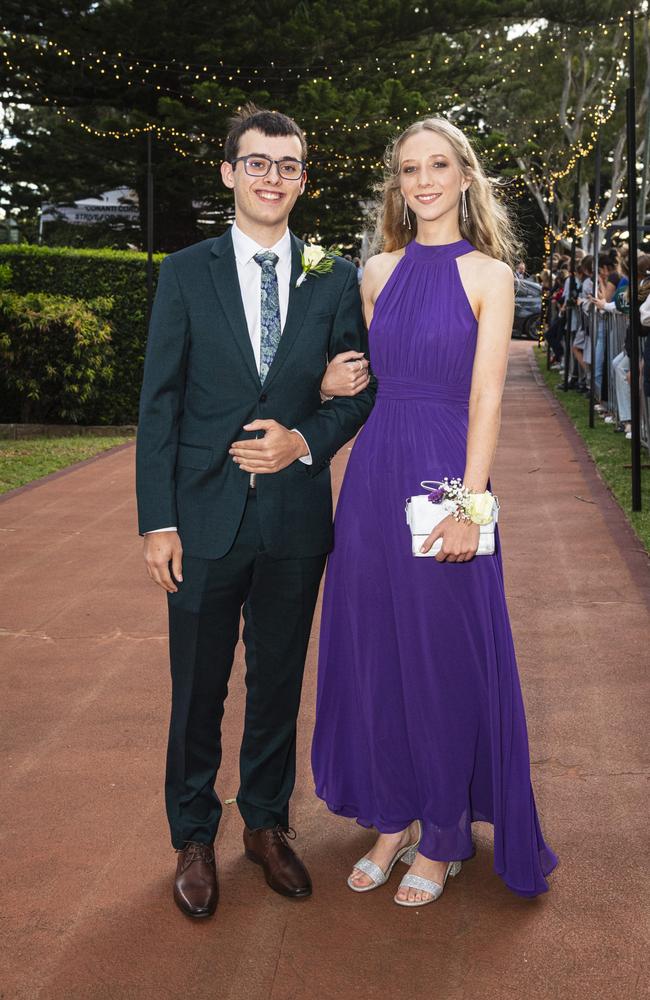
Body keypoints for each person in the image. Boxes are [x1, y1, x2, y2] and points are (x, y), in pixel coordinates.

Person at [136, 103, 375, 919]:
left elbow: (356, 394)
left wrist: (303, 439)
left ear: (303, 179)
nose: (273, 177)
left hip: (296, 520)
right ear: (230, 172)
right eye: (258, 162)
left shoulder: (334, 276)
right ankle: (194, 834)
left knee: (277, 684)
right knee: (196, 687)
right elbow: (159, 405)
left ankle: (266, 825)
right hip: (201, 518)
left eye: (289, 165)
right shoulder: (184, 271)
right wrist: (156, 521)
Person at [311, 116, 558, 905]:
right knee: (376, 648)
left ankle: (446, 832)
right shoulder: (373, 271)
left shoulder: (489, 275)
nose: (423, 181)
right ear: (398, 182)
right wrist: (325, 383)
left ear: (463, 177)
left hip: (443, 480)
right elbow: (355, 375)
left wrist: (467, 506)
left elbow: (487, 397)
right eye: (410, 168)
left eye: (438, 165)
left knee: (443, 654)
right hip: (375, 475)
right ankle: (393, 817)